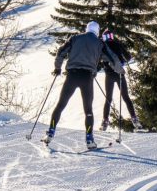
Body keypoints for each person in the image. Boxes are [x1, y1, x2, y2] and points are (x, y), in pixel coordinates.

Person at [44, 21, 123, 149]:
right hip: (87, 78)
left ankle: (51, 133)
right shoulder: (99, 43)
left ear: (87, 29)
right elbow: (111, 57)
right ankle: (89, 140)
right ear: (97, 31)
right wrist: (119, 70)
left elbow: (61, 52)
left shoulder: (75, 38)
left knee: (60, 105)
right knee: (88, 110)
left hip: (72, 76)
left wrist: (57, 67)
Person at [99, 29, 144, 131]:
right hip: (120, 74)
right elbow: (128, 57)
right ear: (112, 36)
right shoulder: (118, 44)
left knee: (108, 99)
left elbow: (98, 59)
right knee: (126, 97)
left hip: (109, 75)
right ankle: (135, 120)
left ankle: (105, 121)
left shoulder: (103, 46)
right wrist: (122, 61)